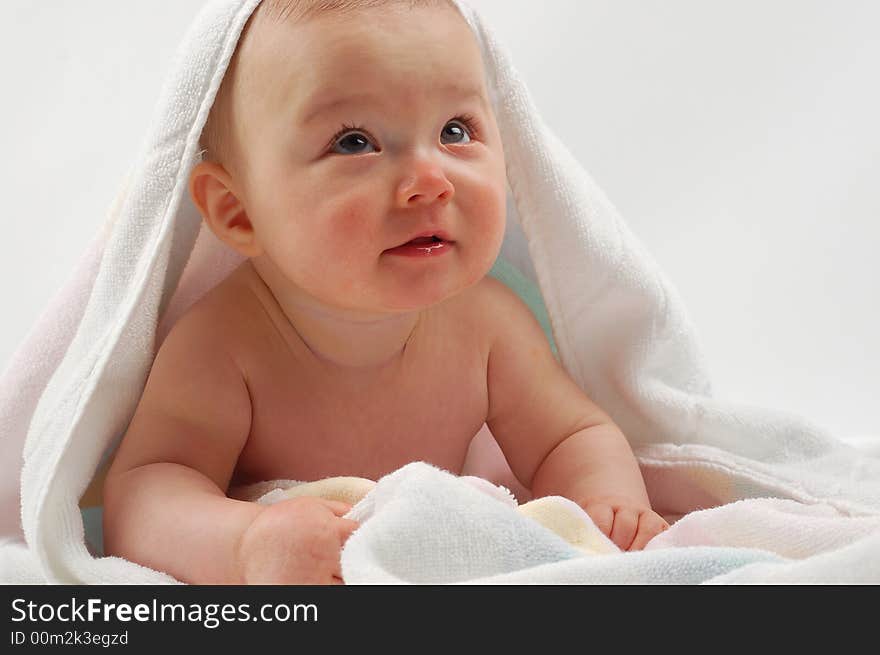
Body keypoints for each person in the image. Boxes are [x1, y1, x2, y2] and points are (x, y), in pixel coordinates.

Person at [102, 0, 668, 585]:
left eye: (456, 131)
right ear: (237, 211)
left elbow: (570, 437)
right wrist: (246, 545)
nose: (430, 181)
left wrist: (603, 506)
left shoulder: (488, 327)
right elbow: (146, 494)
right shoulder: (223, 348)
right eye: (354, 142)